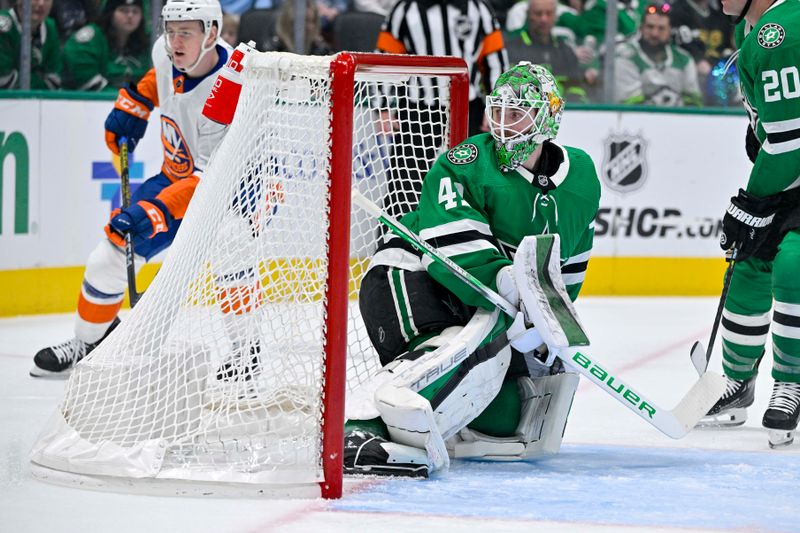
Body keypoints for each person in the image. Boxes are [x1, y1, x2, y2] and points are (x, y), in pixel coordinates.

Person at [343, 62, 601, 477]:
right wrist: (516, 291)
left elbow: (566, 266)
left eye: (517, 114)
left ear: (548, 117)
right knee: (468, 353)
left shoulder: (583, 177)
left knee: (506, 416)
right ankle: (359, 428)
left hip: (480, 304)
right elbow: (455, 256)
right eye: (497, 111)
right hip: (412, 275)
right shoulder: (464, 162)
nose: (503, 125)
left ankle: (429, 418)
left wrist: (548, 320)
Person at [30, 0, 235, 378]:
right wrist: (137, 104)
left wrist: (155, 210)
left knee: (234, 262)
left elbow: (211, 177)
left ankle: (245, 355)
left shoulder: (231, 86)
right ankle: (89, 340)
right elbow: (157, 81)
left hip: (231, 194)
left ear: (211, 33)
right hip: (179, 177)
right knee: (108, 255)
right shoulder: (165, 52)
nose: (174, 41)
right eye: (170, 30)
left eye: (185, 32)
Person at [697, 0, 800, 449]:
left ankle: (791, 384)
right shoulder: (752, 29)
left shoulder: (781, 32)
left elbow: (791, 138)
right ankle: (737, 385)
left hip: (791, 169)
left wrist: (754, 199)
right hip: (790, 174)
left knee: (792, 266)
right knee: (747, 265)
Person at [504, 0, 597, 101]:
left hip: (564, 112)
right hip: (526, 112)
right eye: (538, 13)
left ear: (555, 16)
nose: (544, 19)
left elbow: (576, 89)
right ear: (528, 15)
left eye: (549, 13)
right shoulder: (511, 48)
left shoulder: (565, 50)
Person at [613, 2, 702, 107]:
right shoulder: (626, 58)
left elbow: (694, 103)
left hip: (679, 122)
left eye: (661, 28)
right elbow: (631, 107)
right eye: (650, 27)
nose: (654, 33)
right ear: (641, 28)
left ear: (669, 30)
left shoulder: (684, 59)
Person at [63, 0, 151, 91]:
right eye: (123, 10)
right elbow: (88, 83)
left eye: (135, 11)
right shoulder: (88, 41)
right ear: (110, 13)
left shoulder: (147, 44)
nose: (130, 16)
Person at [0, 0, 62, 89]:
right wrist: (39, 78)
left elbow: (54, 81)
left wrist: (18, 76)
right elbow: (3, 80)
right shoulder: (2, 27)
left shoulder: (50, 27)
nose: (41, 3)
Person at [264, 0, 330, 54]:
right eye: (305, 21)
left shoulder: (320, 48)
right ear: (289, 22)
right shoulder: (274, 48)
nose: (311, 27)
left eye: (313, 21)